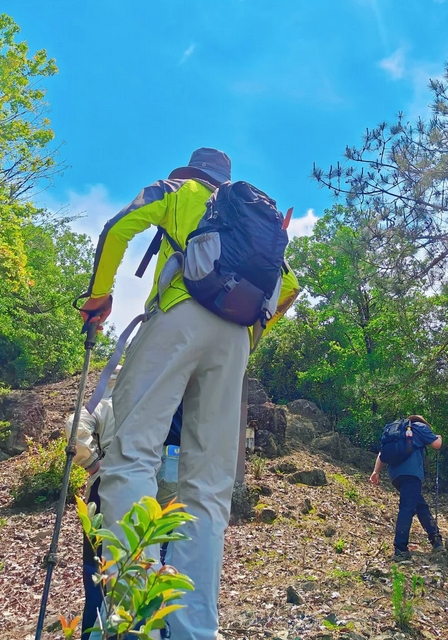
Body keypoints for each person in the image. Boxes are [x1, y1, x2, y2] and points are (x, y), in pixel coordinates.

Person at [78, 148, 298, 640]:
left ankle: (134, 616)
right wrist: (246, 336)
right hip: (235, 340)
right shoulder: (255, 222)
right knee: (209, 487)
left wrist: (100, 296)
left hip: (177, 317)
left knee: (132, 455)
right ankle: (193, 629)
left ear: (193, 171)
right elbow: (288, 287)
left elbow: (118, 226)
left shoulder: (180, 190)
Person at [65, 367, 182, 640]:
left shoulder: (104, 406)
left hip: (107, 486)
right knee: (154, 562)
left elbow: (74, 426)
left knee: (99, 568)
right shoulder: (155, 404)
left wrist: (93, 464)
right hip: (156, 487)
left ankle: (98, 629)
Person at [369, 414, 443, 560]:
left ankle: (436, 539)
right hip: (411, 473)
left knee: (419, 505)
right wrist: (439, 437)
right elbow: (437, 445)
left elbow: (382, 453)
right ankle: (400, 549)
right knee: (407, 507)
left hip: (395, 476)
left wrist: (376, 472)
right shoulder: (420, 427)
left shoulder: (397, 432)